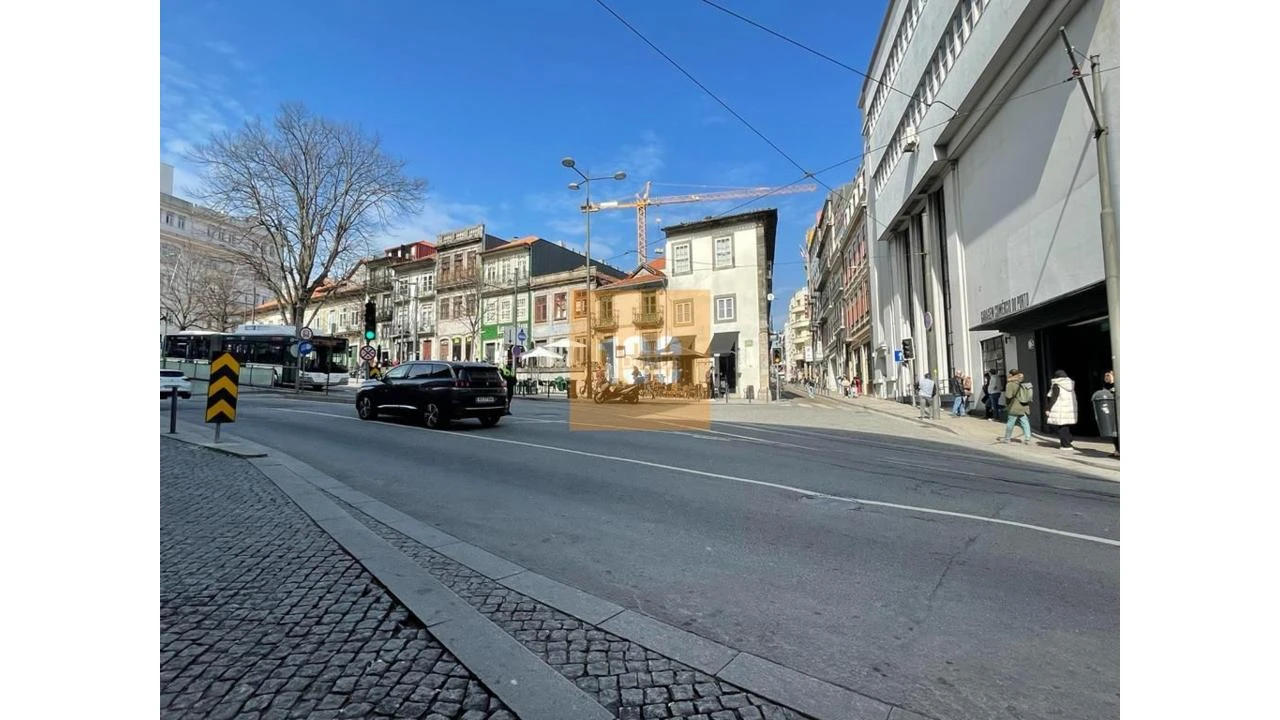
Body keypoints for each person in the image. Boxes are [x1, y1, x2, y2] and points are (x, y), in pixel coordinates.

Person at [1044, 369, 1078, 449]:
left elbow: (1053, 398)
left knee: (1062, 427)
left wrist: (1048, 408)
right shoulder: (1070, 384)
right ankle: (1068, 440)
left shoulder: (1057, 385)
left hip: (1060, 408)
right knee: (1066, 426)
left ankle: (1066, 445)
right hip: (1069, 409)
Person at [999, 369, 1034, 444]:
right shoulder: (1022, 382)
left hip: (1014, 406)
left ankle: (1007, 438)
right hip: (1023, 405)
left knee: (1010, 422)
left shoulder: (1010, 384)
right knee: (1025, 422)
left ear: (1011, 375)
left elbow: (1008, 396)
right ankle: (1028, 438)